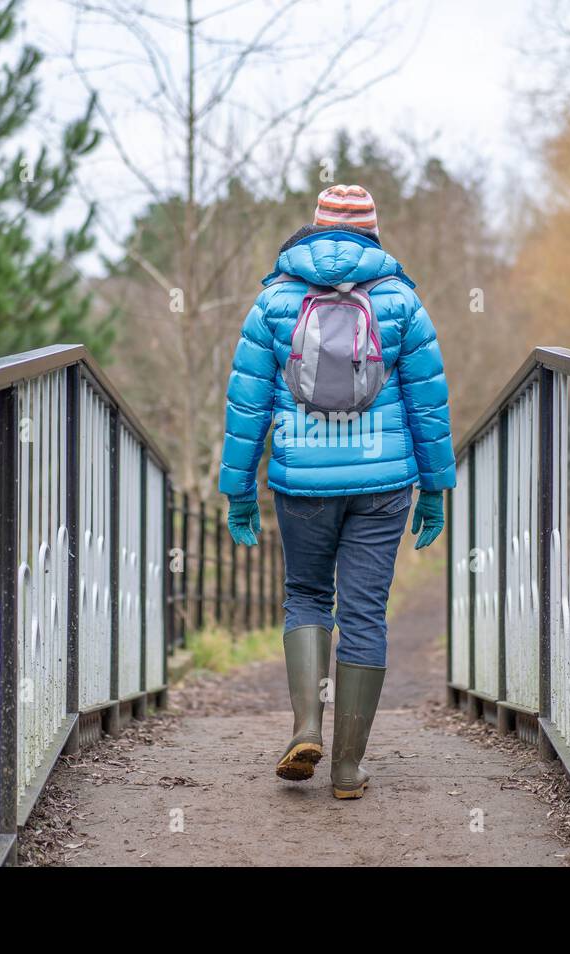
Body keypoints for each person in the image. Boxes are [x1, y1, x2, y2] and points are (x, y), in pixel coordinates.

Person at [218, 184, 455, 799]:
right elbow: (429, 405)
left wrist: (238, 489)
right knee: (364, 613)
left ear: (314, 230)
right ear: (373, 233)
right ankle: (348, 769)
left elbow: (246, 404)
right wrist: (435, 487)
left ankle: (305, 725)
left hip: (301, 480)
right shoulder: (402, 299)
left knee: (305, 595)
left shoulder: (274, 300)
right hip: (382, 481)